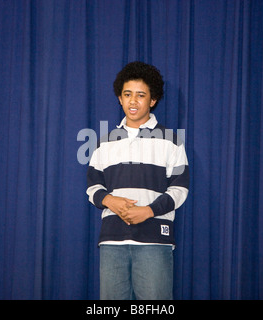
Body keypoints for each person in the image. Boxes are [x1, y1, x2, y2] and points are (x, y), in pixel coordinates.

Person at [86, 61, 189, 300]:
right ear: (120, 99)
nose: (133, 101)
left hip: (155, 241)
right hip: (112, 242)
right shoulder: (105, 142)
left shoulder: (171, 141)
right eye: (127, 95)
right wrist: (110, 200)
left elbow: (180, 189)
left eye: (141, 95)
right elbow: (93, 187)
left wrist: (149, 211)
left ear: (152, 100)